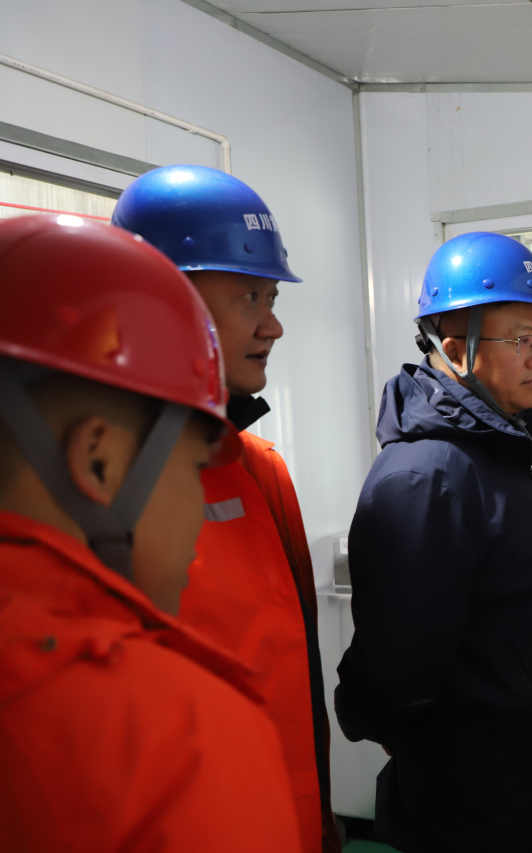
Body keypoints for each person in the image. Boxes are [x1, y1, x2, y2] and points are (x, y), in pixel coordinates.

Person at [0, 214, 302, 852]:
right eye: (193, 467)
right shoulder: (180, 740)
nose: (271, 325)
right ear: (98, 461)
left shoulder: (265, 472)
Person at [335, 232, 532, 853]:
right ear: (455, 350)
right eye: (521, 341)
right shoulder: (427, 477)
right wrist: (384, 721)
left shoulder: (491, 451)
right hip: (473, 803)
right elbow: (398, 665)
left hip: (515, 792)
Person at [111, 166, 339, 853]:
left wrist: (319, 820)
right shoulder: (99, 489)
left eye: (271, 296)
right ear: (161, 301)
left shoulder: (262, 471)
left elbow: (299, 678)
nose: (273, 325)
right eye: (249, 296)